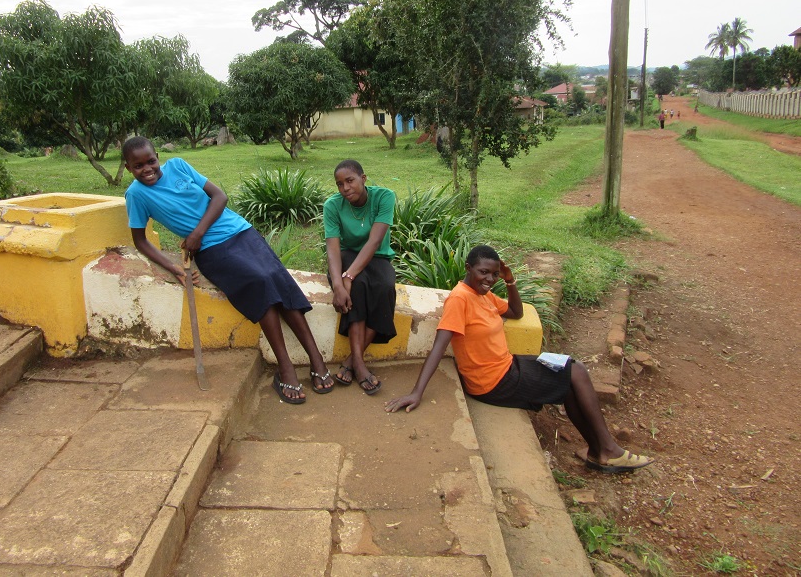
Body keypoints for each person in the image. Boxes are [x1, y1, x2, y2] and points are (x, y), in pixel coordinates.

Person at [385, 245, 654, 474]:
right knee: (577, 370)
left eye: (493, 274)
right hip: (494, 382)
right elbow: (439, 345)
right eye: (483, 273)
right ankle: (608, 449)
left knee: (570, 378)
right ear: (468, 268)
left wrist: (510, 281)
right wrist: (416, 392)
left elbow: (515, 311)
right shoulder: (460, 299)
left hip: (508, 366)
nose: (489, 279)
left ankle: (598, 450)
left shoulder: (484, 295)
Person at [122, 136, 333, 405]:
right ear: (128, 168)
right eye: (138, 166)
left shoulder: (178, 166)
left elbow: (220, 196)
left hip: (240, 230)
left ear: (157, 157)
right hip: (211, 250)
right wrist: (173, 267)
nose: (147, 169)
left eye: (151, 161)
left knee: (278, 279)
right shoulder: (137, 195)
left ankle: (316, 358)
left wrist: (196, 232)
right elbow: (139, 241)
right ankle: (286, 367)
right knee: (259, 283)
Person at [324, 159, 397, 395]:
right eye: (339, 184)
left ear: (363, 179)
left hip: (377, 256)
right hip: (346, 256)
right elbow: (333, 249)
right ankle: (361, 366)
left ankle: (350, 362)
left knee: (384, 288)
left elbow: (375, 241)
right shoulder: (332, 206)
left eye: (350, 181)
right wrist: (339, 283)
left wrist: (349, 276)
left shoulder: (384, 197)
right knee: (357, 289)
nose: (345, 188)